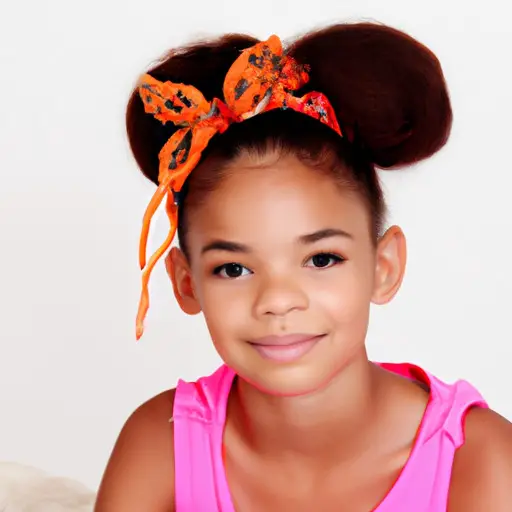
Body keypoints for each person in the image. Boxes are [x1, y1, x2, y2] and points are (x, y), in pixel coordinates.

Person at [94, 22, 512, 511]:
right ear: (186, 284)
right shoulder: (159, 446)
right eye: (233, 268)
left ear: (384, 267)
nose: (277, 301)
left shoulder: (479, 461)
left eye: (321, 258)